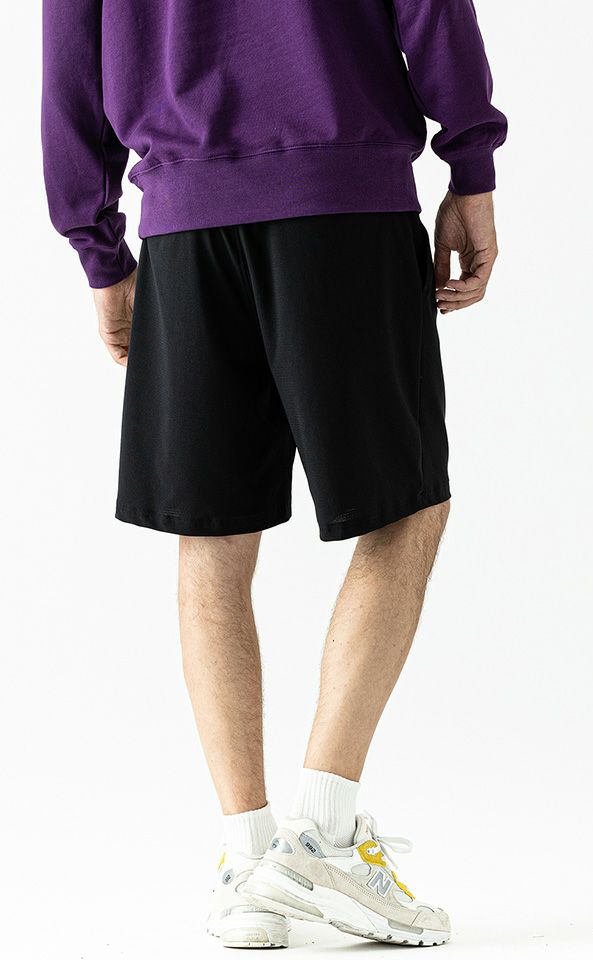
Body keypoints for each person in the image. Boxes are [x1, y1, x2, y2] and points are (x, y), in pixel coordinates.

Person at [42, 0, 506, 948]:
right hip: (344, 200)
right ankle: (320, 839)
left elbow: (68, 58)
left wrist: (100, 249)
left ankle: (250, 863)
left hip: (184, 224)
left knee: (212, 537)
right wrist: (471, 164)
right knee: (407, 509)